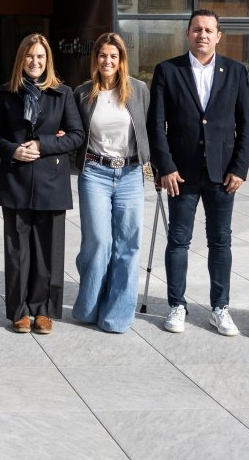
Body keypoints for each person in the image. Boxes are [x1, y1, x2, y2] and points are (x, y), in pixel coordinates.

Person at [148, 9, 249, 336]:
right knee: (178, 240)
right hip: (181, 173)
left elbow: (246, 125)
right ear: (188, 34)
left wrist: (239, 167)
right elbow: (156, 125)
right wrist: (165, 167)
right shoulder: (168, 70)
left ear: (218, 36)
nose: (202, 35)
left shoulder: (236, 71)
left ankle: (220, 307)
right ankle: (176, 305)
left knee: (220, 241)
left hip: (223, 174)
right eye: (196, 29)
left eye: (208, 30)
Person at [0, 34, 84, 334]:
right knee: (17, 251)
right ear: (22, 59)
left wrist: (43, 144)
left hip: (51, 181)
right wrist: (13, 150)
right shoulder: (7, 93)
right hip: (16, 180)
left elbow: (76, 136)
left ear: (48, 61)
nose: (35, 62)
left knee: (48, 250)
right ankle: (19, 311)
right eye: (30, 56)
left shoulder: (63, 93)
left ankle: (44, 311)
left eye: (41, 57)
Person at [71, 32, 151, 333]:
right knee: (99, 243)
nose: (107, 61)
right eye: (102, 55)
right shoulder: (82, 93)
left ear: (121, 61)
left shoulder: (139, 90)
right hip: (95, 172)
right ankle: (90, 306)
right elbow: (75, 131)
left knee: (127, 245)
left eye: (113, 56)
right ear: (96, 59)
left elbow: (150, 129)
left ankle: (116, 315)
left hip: (130, 173)